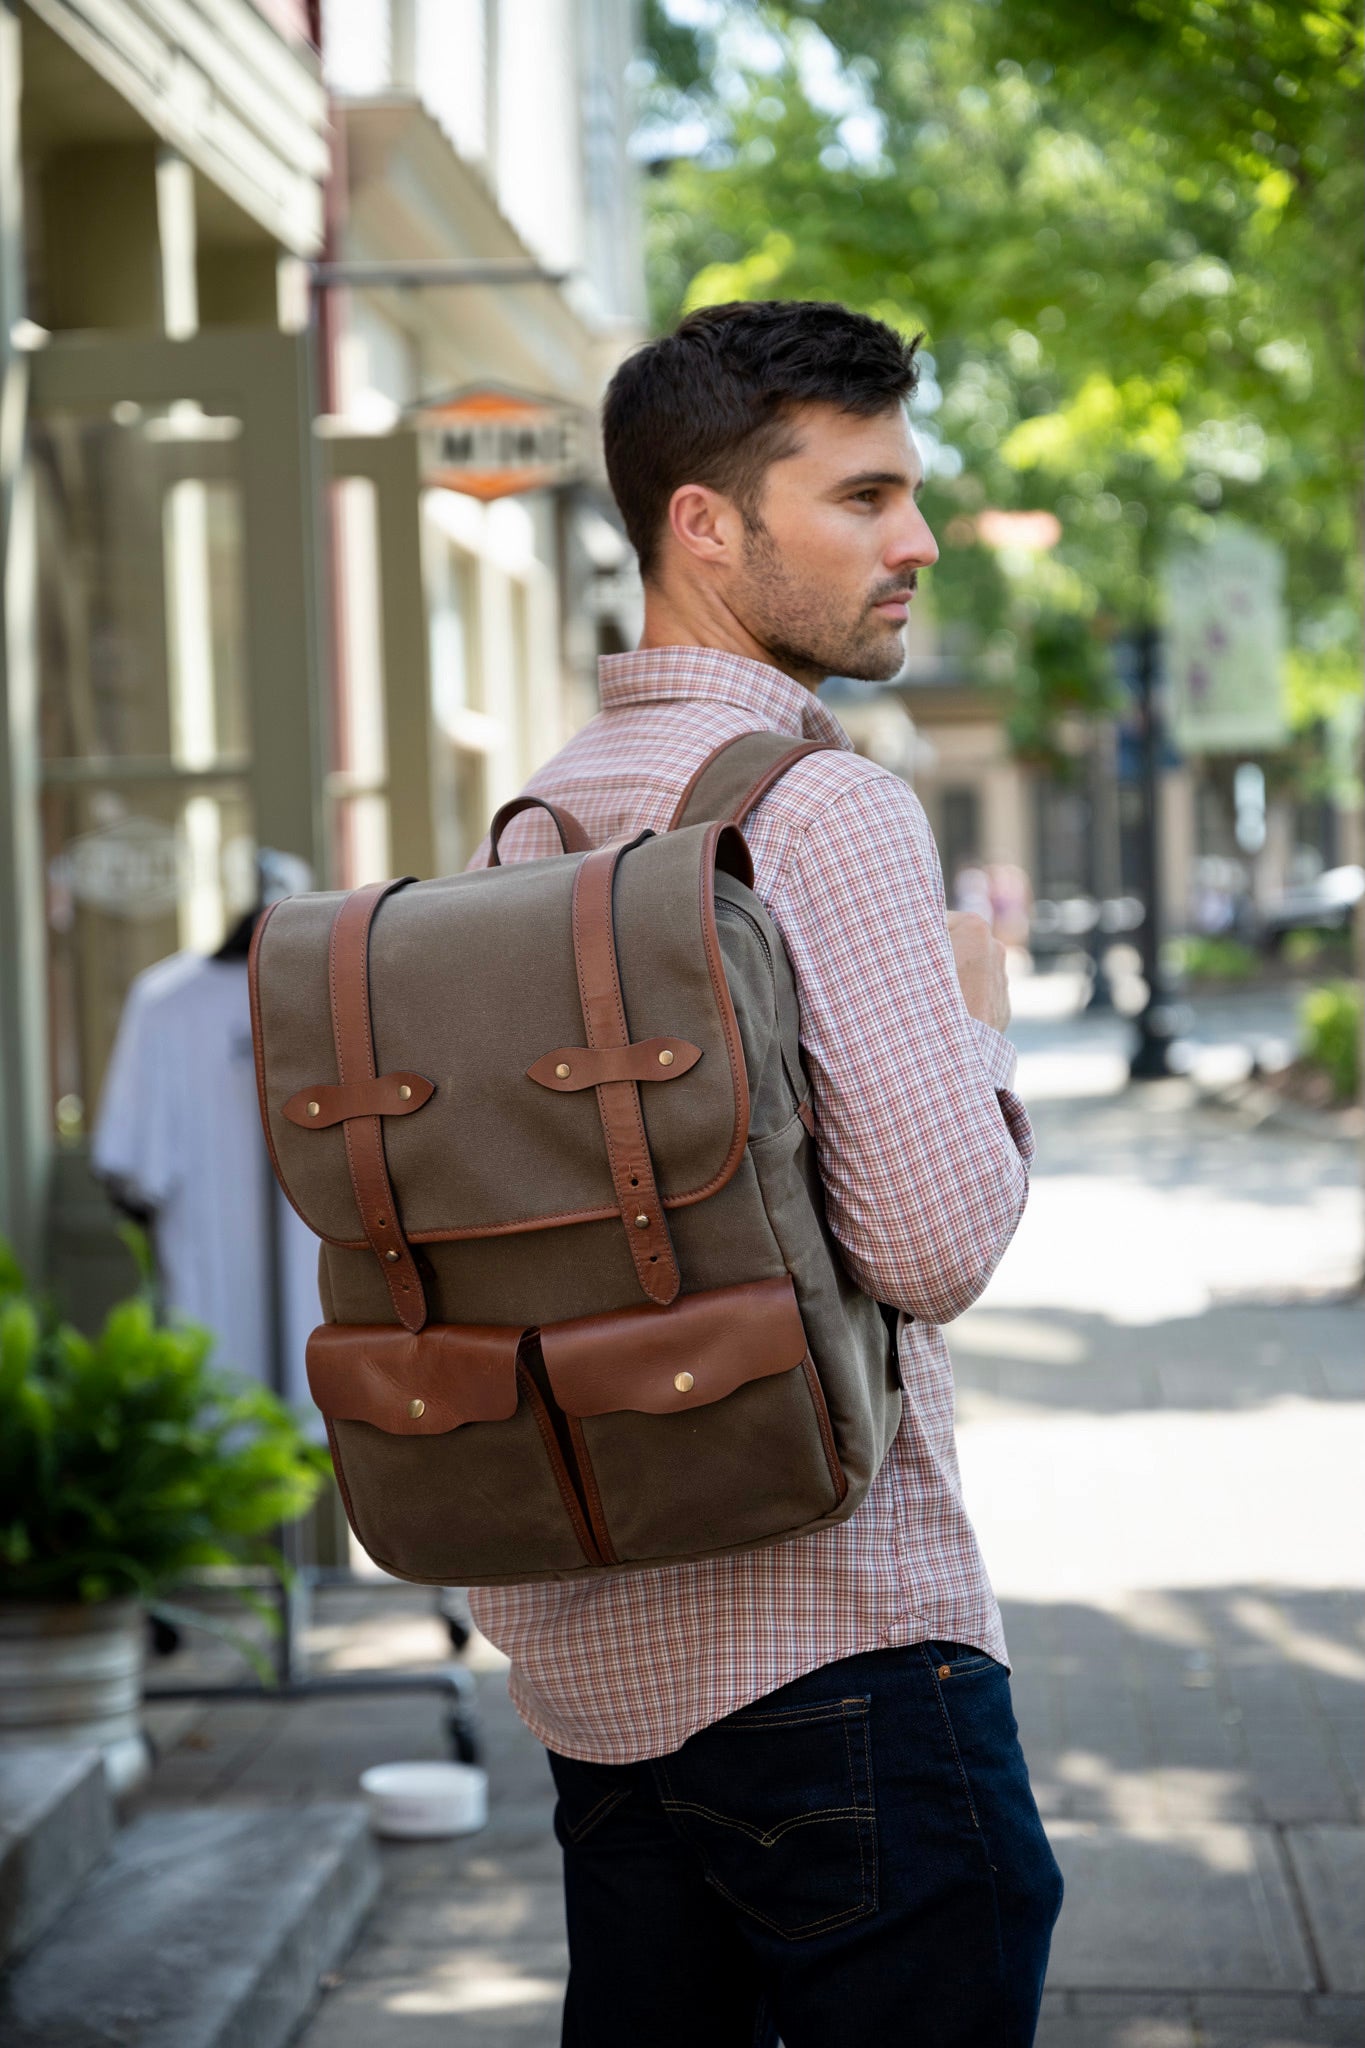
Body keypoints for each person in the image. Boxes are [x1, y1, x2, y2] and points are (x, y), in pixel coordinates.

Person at [466, 300, 1064, 2048]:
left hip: (598, 1676)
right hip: (841, 1652)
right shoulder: (817, 808)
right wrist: (973, 1026)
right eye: (865, 496)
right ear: (703, 525)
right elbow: (934, 1244)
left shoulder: (544, 819)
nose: (918, 540)